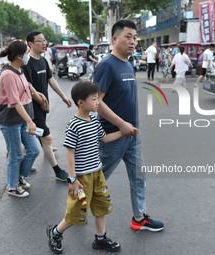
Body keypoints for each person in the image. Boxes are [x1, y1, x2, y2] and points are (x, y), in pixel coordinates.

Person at [93, 19, 164, 232]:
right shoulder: (107, 65)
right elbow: (96, 101)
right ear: (115, 39)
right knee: (96, 179)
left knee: (139, 176)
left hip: (132, 134)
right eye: (128, 37)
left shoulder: (127, 63)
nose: (133, 42)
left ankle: (139, 218)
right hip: (113, 136)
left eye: (135, 38)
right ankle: (75, 207)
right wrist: (121, 124)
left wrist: (130, 127)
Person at [47, 81, 123, 254]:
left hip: (97, 174)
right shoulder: (74, 124)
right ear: (81, 102)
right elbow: (70, 153)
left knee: (101, 206)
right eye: (94, 99)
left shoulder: (94, 121)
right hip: (81, 179)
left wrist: (124, 131)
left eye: (98, 99)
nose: (98, 103)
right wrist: (72, 180)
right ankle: (55, 233)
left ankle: (100, 239)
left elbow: (105, 139)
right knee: (76, 211)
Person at [23, 31, 72, 181]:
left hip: (42, 107)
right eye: (39, 41)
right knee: (47, 138)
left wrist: (63, 96)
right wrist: (42, 102)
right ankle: (58, 171)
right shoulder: (27, 63)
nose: (44, 43)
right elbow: (29, 88)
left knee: (32, 134)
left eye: (44, 40)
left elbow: (51, 80)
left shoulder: (43, 60)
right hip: (32, 107)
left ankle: (24, 162)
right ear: (30, 44)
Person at [0, 40, 41, 197]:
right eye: (26, 52)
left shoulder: (20, 70)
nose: (29, 54)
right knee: (15, 154)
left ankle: (19, 176)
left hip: (23, 119)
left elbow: (25, 94)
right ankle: (12, 186)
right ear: (19, 56)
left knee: (34, 150)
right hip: (11, 121)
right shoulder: (8, 74)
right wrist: (30, 121)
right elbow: (15, 101)